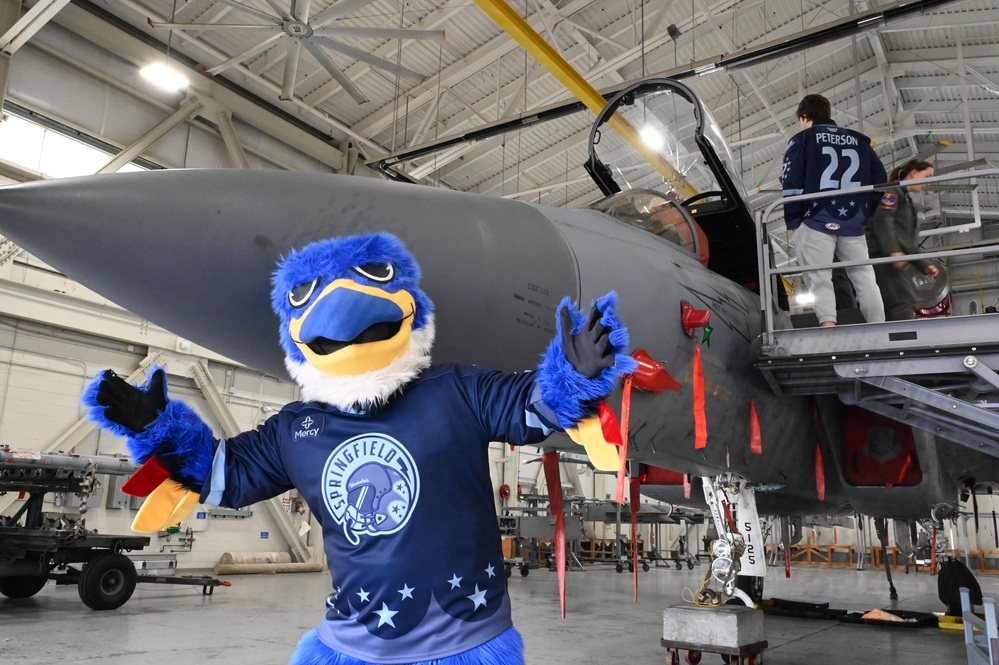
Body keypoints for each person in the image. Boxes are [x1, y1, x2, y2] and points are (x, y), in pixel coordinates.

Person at [781, 94, 887, 326]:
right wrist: (866, 214)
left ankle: (828, 325)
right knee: (865, 278)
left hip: (815, 218)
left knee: (819, 277)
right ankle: (878, 326)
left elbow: (791, 180)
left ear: (805, 116)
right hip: (852, 220)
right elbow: (881, 180)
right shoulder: (860, 141)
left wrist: (794, 220)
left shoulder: (802, 139)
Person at [867, 159, 940, 320]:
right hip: (880, 255)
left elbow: (907, 241)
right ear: (913, 172)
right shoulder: (892, 192)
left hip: (888, 258)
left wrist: (924, 264)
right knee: (901, 302)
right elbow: (883, 218)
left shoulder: (908, 203)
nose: (928, 183)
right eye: (927, 176)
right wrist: (893, 250)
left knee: (902, 301)